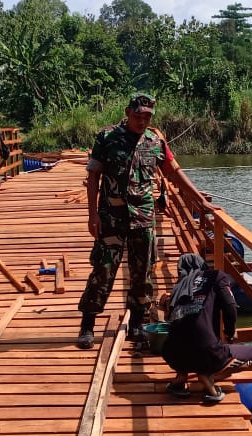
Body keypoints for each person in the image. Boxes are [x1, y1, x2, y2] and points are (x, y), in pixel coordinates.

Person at [76, 92, 177, 349]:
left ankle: (136, 324)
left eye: (146, 116)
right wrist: (92, 214)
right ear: (127, 112)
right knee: (103, 269)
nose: (141, 120)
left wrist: (199, 198)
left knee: (142, 274)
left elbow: (173, 170)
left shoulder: (155, 141)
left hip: (143, 219)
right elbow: (93, 176)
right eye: (137, 115)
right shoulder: (107, 137)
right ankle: (88, 324)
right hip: (111, 217)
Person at [160, 254, 252, 403]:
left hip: (172, 354)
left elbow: (171, 320)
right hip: (207, 353)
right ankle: (206, 375)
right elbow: (230, 308)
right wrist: (230, 333)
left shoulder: (177, 288)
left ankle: (181, 376)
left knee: (186, 336)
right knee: (251, 353)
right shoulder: (216, 276)